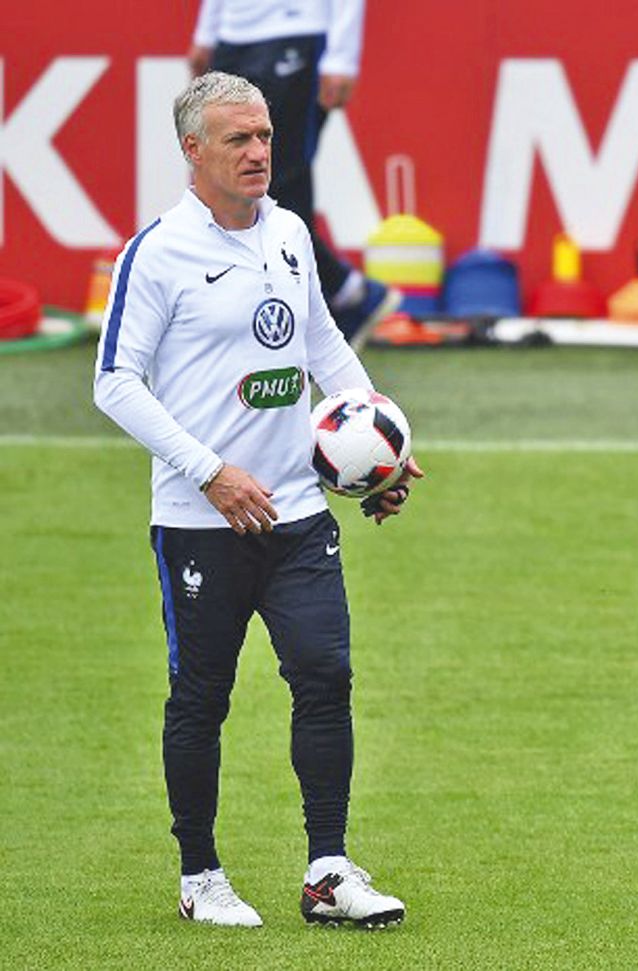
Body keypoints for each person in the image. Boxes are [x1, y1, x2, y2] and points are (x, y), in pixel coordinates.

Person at [93, 72, 421, 928]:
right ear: (192, 150)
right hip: (201, 520)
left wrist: (380, 449)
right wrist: (208, 468)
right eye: (238, 139)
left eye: (266, 135)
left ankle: (328, 871)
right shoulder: (157, 253)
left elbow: (322, 344)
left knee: (325, 676)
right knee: (201, 698)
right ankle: (199, 875)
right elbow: (114, 384)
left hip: (299, 512)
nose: (259, 152)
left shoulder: (289, 233)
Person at [187, 0, 399, 348]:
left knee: (275, 183)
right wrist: (208, 30)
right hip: (233, 34)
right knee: (218, 181)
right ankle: (345, 293)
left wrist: (341, 57)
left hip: (296, 29)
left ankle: (332, 302)